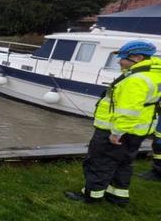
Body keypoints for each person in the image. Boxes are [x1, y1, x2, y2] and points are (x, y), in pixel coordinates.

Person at [66, 40, 161, 204]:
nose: (119, 61)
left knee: (99, 162)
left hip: (117, 130)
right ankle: (118, 195)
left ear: (137, 58)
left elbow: (128, 111)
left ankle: (91, 196)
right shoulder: (154, 74)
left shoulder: (136, 80)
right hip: (138, 130)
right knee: (124, 163)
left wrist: (116, 133)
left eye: (123, 58)